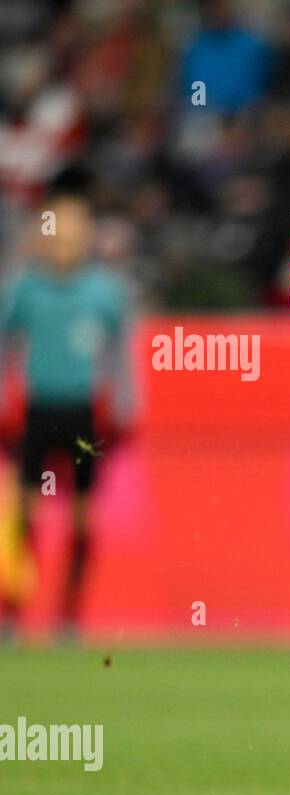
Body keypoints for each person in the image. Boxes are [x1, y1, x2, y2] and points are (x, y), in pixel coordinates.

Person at [0, 178, 132, 637]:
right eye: (58, 229)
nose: (65, 240)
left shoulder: (104, 290)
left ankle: (69, 615)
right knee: (25, 515)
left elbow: (120, 353)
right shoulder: (22, 289)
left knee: (82, 516)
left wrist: (125, 408)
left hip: (84, 416)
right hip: (34, 413)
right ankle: (15, 614)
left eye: (75, 230)